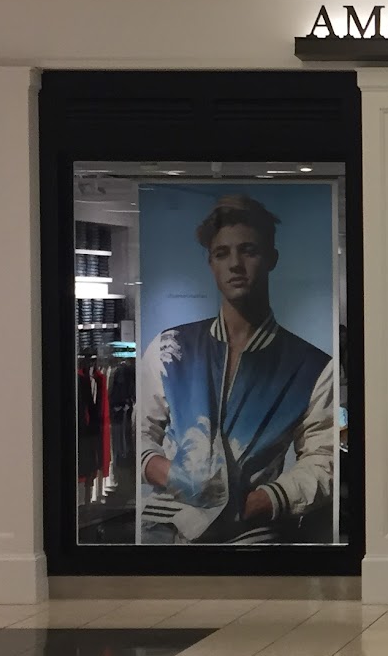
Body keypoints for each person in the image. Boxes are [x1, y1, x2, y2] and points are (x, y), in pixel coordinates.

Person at [138, 193, 335, 544]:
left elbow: (323, 459)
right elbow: (141, 433)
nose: (235, 264)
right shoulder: (171, 348)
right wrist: (176, 477)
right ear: (210, 263)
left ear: (271, 258)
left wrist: (258, 503)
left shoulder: (311, 366)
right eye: (222, 253)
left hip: (252, 535)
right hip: (166, 531)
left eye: (248, 250)